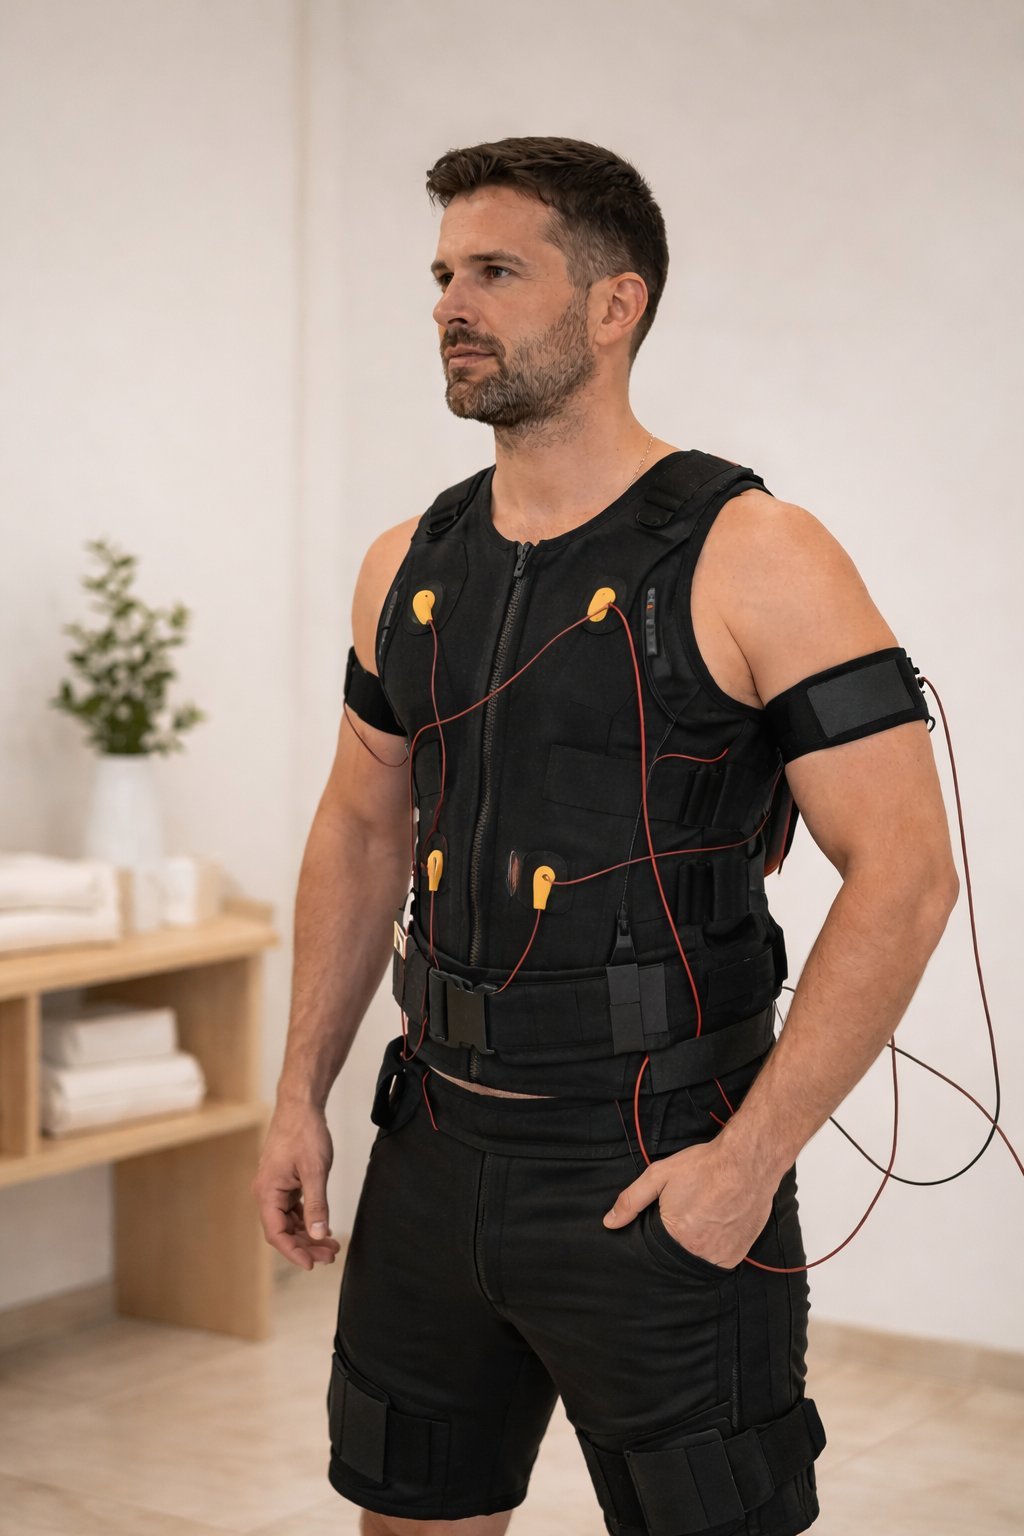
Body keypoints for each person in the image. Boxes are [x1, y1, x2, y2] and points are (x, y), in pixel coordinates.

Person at [252, 136, 960, 1536]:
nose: (452, 302)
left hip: (657, 1162)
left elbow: (909, 872)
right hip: (434, 1142)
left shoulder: (758, 552)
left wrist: (749, 1163)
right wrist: (297, 1098)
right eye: (444, 274)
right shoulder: (407, 562)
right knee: (408, 1519)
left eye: (497, 271)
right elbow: (358, 822)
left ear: (615, 304)